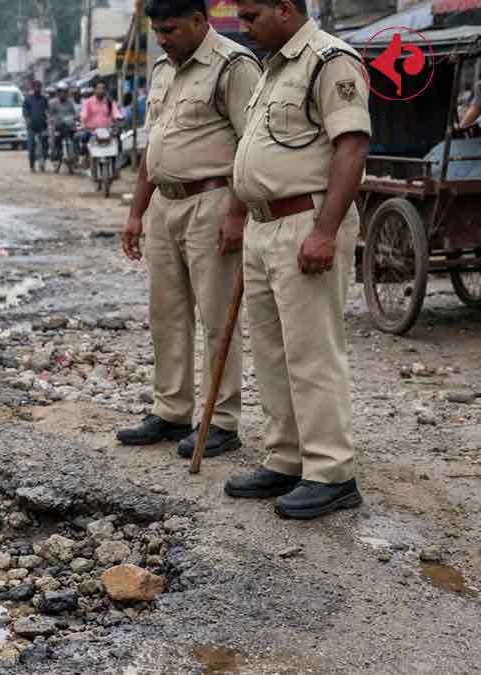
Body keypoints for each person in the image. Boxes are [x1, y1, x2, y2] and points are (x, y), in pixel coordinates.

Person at [224, 0, 371, 519]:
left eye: (250, 16)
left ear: (285, 9)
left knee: (312, 352)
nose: (243, 27)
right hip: (265, 225)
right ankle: (285, 457)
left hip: (305, 222)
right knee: (271, 349)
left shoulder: (329, 59)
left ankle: (331, 472)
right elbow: (255, 147)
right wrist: (240, 213)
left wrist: (326, 231)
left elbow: (351, 146)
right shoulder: (272, 67)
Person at [118, 0, 261, 461]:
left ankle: (221, 421)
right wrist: (137, 212)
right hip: (165, 202)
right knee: (166, 313)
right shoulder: (162, 69)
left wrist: (237, 214)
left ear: (200, 22)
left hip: (213, 201)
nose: (162, 38)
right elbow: (153, 145)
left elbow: (251, 145)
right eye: (157, 30)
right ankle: (172, 410)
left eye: (171, 29)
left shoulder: (233, 66)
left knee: (217, 317)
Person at [79, 80, 125, 171]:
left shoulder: (110, 102)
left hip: (107, 130)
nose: (100, 90)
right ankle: (85, 159)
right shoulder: (88, 102)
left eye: (103, 88)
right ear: (94, 90)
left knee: (118, 141)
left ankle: (117, 164)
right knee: (83, 139)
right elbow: (84, 113)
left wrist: (119, 118)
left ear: (105, 90)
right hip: (92, 130)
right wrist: (83, 119)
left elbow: (116, 113)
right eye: (98, 88)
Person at [22, 79, 49, 172]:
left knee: (45, 145)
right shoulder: (28, 99)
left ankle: (43, 162)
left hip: (42, 126)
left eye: (39, 87)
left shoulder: (44, 99)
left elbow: (47, 111)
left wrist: (48, 120)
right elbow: (25, 112)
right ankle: (32, 165)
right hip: (31, 127)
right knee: (31, 146)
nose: (37, 88)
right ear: (33, 88)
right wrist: (27, 120)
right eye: (36, 87)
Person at [47, 86, 79, 162]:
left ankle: (75, 155)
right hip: (58, 126)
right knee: (55, 137)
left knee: (77, 137)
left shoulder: (70, 102)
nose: (63, 94)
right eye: (61, 92)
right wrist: (51, 119)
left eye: (64, 92)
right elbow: (49, 114)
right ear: (58, 93)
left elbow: (74, 113)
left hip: (69, 126)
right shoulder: (53, 103)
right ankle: (55, 152)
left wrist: (76, 117)